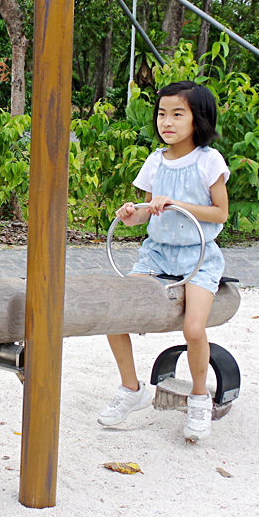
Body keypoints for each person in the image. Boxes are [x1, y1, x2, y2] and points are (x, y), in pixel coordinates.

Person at [97, 80, 230, 442]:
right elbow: (146, 213)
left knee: (193, 329)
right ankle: (131, 388)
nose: (166, 122)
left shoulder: (208, 160)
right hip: (157, 254)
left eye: (177, 114)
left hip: (198, 256)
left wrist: (177, 204)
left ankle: (200, 398)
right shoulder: (156, 161)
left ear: (197, 119)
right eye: (161, 114)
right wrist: (130, 214)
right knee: (115, 314)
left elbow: (220, 213)